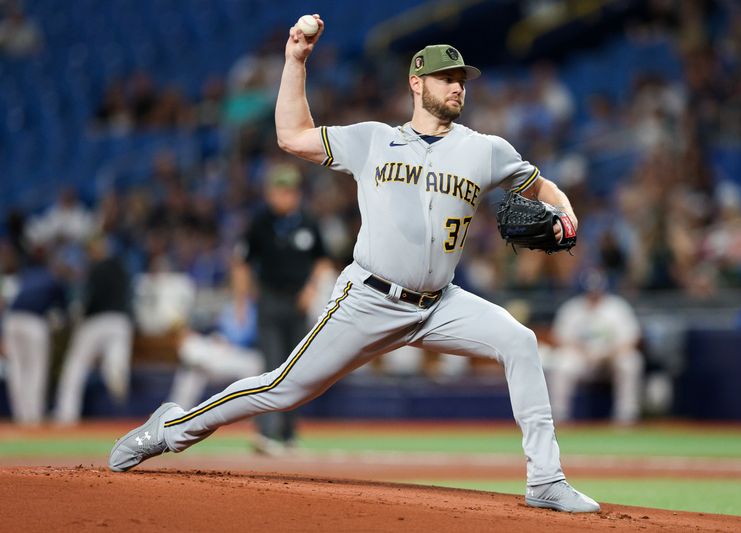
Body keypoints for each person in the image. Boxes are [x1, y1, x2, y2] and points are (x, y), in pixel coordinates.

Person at [109, 16, 600, 513]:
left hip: (441, 303)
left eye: (462, 79)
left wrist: (567, 217)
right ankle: (169, 429)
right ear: (416, 82)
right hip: (369, 298)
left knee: (520, 340)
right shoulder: (373, 140)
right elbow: (292, 135)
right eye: (446, 77)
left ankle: (545, 479)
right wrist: (295, 60)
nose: (457, 87)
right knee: (282, 389)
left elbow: (541, 187)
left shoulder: (486, 150)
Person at [242, 162, 333, 454]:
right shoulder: (260, 222)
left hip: (298, 302)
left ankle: (289, 434)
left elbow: (323, 260)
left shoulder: (308, 221)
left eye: (287, 191)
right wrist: (243, 300)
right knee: (270, 365)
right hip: (269, 299)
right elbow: (242, 262)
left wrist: (311, 289)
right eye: (278, 190)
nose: (282, 196)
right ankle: (266, 435)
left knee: (296, 369)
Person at [53, 235, 134, 425]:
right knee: (116, 370)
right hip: (120, 322)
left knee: (75, 368)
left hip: (96, 321)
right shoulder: (121, 266)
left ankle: (65, 417)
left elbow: (88, 300)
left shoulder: (95, 268)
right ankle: (124, 417)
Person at [547, 269, 644, 425]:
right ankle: (559, 415)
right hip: (582, 359)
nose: (593, 294)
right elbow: (558, 338)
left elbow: (633, 339)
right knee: (560, 363)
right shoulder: (572, 308)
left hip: (611, 358)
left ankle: (626, 415)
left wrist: (610, 353)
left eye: (597, 290)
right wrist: (582, 351)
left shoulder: (617, 307)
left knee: (631, 361)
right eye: (590, 290)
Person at [167, 260, 263, 409]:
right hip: (218, 355)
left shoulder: (258, 305)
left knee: (254, 364)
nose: (239, 282)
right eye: (236, 277)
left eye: (243, 278)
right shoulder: (223, 301)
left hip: (242, 357)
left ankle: (249, 416)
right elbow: (203, 325)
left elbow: (261, 340)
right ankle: (172, 413)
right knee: (192, 362)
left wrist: (231, 343)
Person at [2, 246, 67, 425]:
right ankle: (33, 417)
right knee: (36, 369)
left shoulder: (27, 275)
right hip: (34, 322)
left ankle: (21, 416)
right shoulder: (53, 278)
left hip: (11, 321)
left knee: (16, 369)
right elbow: (62, 314)